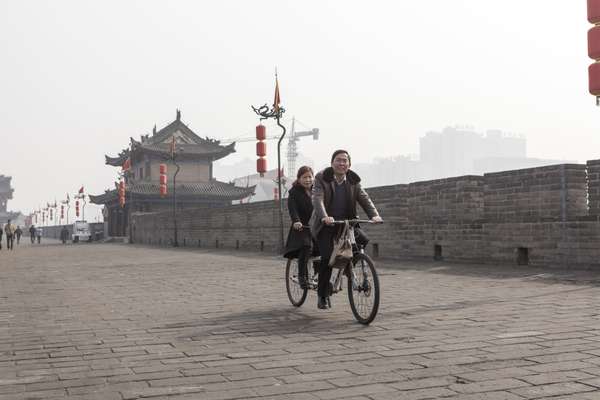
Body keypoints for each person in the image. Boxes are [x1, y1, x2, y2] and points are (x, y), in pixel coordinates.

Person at [309, 150, 383, 310]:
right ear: (332, 163)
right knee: (328, 258)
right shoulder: (322, 178)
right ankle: (323, 295)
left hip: (347, 223)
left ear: (349, 164)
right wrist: (324, 216)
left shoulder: (353, 180)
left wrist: (375, 215)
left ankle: (349, 270)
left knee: (361, 242)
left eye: (345, 161)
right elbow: (317, 198)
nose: (342, 163)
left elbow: (364, 198)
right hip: (326, 224)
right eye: (338, 160)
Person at [283, 166, 315, 289]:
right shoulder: (294, 192)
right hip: (301, 227)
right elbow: (293, 209)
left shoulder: (317, 190)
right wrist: (296, 221)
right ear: (299, 178)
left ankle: (318, 274)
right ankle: (302, 276)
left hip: (315, 226)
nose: (308, 180)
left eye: (310, 177)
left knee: (324, 247)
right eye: (305, 177)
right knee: (306, 246)